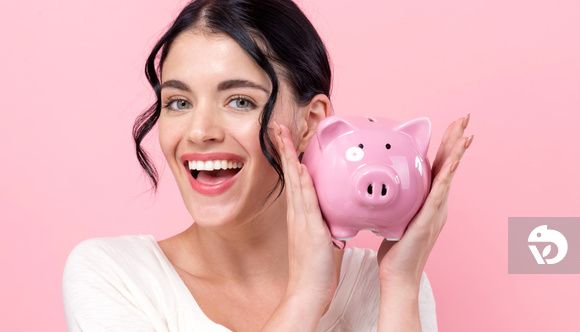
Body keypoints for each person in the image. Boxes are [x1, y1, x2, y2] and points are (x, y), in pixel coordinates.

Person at [62, 0, 473, 331]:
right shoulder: (115, 277)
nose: (200, 131)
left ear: (311, 123)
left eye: (240, 101)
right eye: (179, 102)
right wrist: (307, 295)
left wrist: (401, 285)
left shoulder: (384, 284)